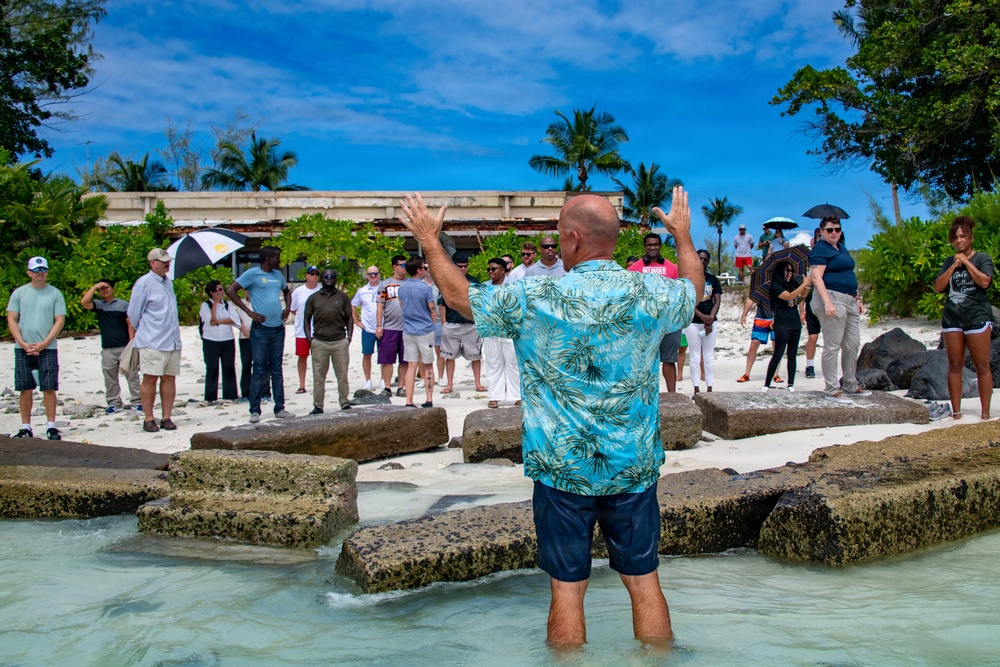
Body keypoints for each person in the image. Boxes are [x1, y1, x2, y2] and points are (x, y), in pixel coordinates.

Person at [399, 187, 700, 646]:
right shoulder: (651, 292)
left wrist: (430, 239)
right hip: (632, 468)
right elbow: (694, 291)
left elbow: (460, 299)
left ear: (574, 240)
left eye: (560, 236)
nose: (558, 245)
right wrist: (681, 235)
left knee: (566, 590)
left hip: (561, 470)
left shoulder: (535, 295)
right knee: (644, 582)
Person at [933, 215, 995, 420]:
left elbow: (985, 282)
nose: (959, 240)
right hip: (953, 318)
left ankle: (985, 413)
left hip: (976, 316)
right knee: (955, 365)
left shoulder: (982, 258)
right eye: (956, 237)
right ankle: (956, 413)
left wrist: (967, 263)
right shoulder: (949, 261)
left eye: (963, 236)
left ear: (971, 238)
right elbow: (938, 287)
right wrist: (953, 267)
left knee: (982, 365)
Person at [227, 246, 295, 424]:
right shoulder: (252, 274)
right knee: (258, 368)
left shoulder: (278, 275)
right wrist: (249, 312)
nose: (279, 261)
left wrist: (287, 309)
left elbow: (287, 291)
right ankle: (254, 409)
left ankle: (279, 407)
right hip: (261, 328)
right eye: (277, 258)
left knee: (277, 369)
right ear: (268, 259)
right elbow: (231, 290)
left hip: (278, 328)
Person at [809, 217, 870, 404]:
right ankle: (832, 388)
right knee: (832, 345)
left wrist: (857, 296)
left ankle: (850, 384)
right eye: (830, 230)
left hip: (850, 299)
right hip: (833, 297)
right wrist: (827, 301)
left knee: (852, 343)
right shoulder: (820, 249)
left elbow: (849, 273)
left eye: (837, 229)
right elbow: (816, 277)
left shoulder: (840, 248)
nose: (834, 232)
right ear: (821, 231)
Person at [6, 256, 66, 440]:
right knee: (25, 387)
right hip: (23, 347)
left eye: (43, 270)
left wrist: (45, 343)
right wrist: (23, 343)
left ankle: (51, 426)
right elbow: (12, 318)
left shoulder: (55, 293)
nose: (40, 273)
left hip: (47, 347)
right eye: (37, 270)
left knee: (49, 387)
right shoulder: (19, 293)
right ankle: (26, 426)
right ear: (29, 272)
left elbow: (59, 320)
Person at [128, 248, 182, 433]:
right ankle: (149, 417)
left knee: (169, 378)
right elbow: (133, 314)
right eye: (163, 261)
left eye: (168, 261)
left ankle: (166, 416)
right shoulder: (144, 283)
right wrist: (144, 332)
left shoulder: (169, 283)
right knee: (150, 378)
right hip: (152, 340)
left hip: (172, 340)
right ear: (153, 263)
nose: (167, 263)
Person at [627, 233, 682, 392]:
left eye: (655, 244)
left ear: (660, 246)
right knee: (643, 361)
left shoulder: (673, 268)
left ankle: (672, 396)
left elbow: (680, 293)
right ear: (645, 247)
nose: (652, 247)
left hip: (669, 323)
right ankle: (644, 394)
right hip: (644, 324)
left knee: (669, 361)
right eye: (649, 245)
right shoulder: (634, 269)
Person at [81, 278, 141, 414]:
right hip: (108, 347)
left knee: (132, 374)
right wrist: (95, 286)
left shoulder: (123, 305)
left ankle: (137, 401)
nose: (105, 290)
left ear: (112, 288)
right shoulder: (99, 305)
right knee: (110, 377)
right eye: (102, 289)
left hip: (124, 345)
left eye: (107, 287)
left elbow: (130, 323)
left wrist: (132, 342)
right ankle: (114, 402)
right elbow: (84, 302)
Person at [302, 269, 354, 414]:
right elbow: (306, 319)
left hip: (339, 341)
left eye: (332, 276)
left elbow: (349, 317)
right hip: (319, 341)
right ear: (321, 279)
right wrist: (309, 339)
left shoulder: (343, 297)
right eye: (326, 276)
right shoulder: (313, 298)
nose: (329, 278)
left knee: (342, 374)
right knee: (319, 376)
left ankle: (344, 402)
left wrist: (349, 337)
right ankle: (318, 405)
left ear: (335, 278)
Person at [761, 261, 812, 393]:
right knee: (778, 354)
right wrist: (803, 285)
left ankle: (790, 383)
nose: (790, 274)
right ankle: (767, 383)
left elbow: (803, 296)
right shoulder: (775, 286)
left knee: (792, 354)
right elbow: (789, 296)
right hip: (782, 323)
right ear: (780, 272)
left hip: (794, 322)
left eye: (791, 271)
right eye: (787, 271)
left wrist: (806, 285)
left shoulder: (792, 284)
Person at [438, 255, 486, 393]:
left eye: (465, 266)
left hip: (471, 324)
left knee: (475, 356)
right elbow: (442, 305)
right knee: (449, 356)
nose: (463, 268)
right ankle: (449, 384)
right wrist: (444, 323)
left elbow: (480, 303)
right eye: (460, 266)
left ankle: (477, 383)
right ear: (455, 266)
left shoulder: (474, 281)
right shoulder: (447, 282)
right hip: (452, 324)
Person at [396, 257, 437, 408]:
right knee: (427, 365)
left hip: (408, 329)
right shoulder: (425, 288)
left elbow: (401, 305)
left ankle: (409, 400)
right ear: (419, 270)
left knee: (411, 365)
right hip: (424, 329)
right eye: (423, 268)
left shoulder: (402, 287)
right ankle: (429, 398)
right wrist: (431, 320)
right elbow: (432, 309)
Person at [482, 257, 521, 408]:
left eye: (494, 269)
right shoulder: (484, 287)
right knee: (493, 365)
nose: (490, 272)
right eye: (489, 269)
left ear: (503, 270)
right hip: (491, 331)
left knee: (513, 364)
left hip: (510, 332)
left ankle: (517, 396)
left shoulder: (514, 285)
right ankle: (494, 397)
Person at [683, 250, 723, 394]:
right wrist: (702, 317)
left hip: (710, 322)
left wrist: (710, 319)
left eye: (705, 259)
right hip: (693, 322)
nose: (702, 261)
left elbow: (717, 300)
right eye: (699, 259)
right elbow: (688, 302)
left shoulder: (713, 279)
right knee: (694, 357)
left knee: (709, 357)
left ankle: (710, 388)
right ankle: (696, 390)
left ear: (708, 262)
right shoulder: (689, 280)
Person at [198, 280, 239, 403]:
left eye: (222, 289)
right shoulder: (205, 305)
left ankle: (230, 395)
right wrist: (215, 304)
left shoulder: (227, 304)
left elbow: (234, 319)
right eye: (219, 290)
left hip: (227, 338)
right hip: (211, 340)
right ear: (211, 292)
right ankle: (210, 397)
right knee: (212, 367)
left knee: (228, 366)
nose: (221, 292)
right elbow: (210, 320)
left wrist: (220, 321)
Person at [376, 255, 409, 397]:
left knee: (405, 359)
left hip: (407, 328)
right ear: (394, 266)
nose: (405, 268)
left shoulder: (410, 283)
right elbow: (380, 306)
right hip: (390, 327)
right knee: (387, 359)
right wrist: (379, 325)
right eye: (402, 265)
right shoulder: (385, 284)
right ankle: (387, 387)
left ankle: (401, 387)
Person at [289, 266, 321, 394]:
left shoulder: (321, 290)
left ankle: (318, 383)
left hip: (318, 329)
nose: (314, 276)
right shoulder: (298, 291)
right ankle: (302, 384)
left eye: (316, 274)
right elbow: (293, 308)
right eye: (312, 274)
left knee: (318, 358)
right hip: (302, 331)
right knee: (302, 356)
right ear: (306, 276)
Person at [352, 265, 382, 391]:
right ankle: (368, 380)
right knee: (367, 354)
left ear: (379, 275)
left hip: (383, 327)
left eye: (375, 274)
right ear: (367, 276)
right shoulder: (362, 291)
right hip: (368, 328)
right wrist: (356, 321)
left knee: (383, 356)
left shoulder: (384, 289)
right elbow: (353, 305)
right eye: (371, 274)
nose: (373, 276)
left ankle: (383, 380)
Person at [737, 297, 781, 384]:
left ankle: (776, 374)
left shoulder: (779, 284)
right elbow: (751, 298)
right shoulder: (759, 285)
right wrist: (744, 314)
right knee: (754, 344)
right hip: (761, 317)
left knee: (776, 345)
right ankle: (747, 373)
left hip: (777, 316)